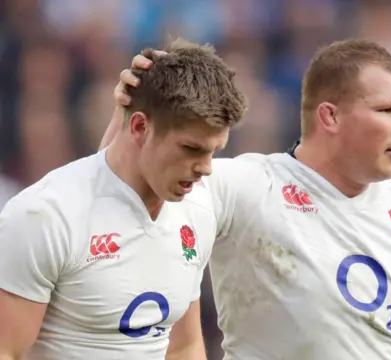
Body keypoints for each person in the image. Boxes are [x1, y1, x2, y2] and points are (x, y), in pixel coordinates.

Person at [109, 39, 391, 359]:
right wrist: (134, 113)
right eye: (387, 110)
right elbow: (124, 199)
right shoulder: (249, 186)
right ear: (330, 116)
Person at [0, 38, 247, 360]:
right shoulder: (45, 216)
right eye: (191, 149)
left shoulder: (197, 212)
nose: (205, 168)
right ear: (140, 126)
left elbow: (183, 347)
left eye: (214, 151)